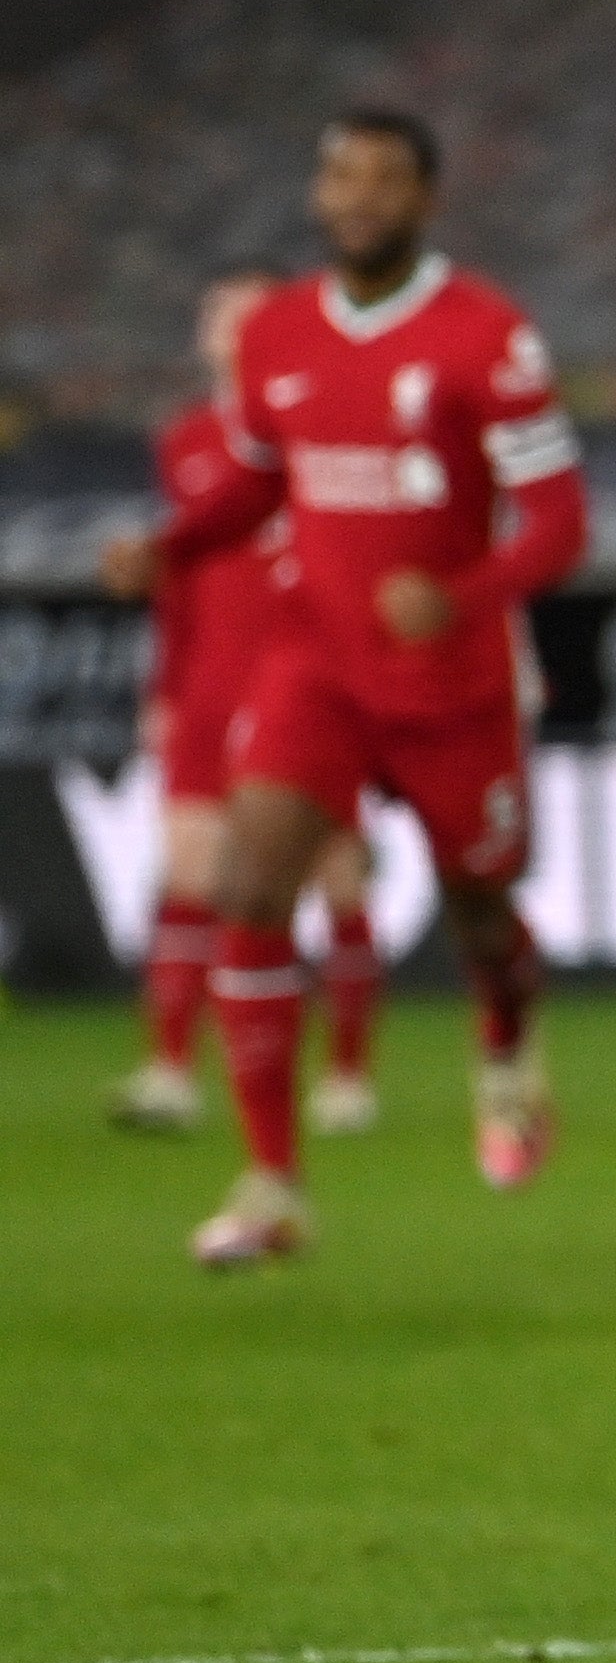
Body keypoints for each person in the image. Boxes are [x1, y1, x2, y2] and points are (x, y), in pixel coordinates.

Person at [179, 112, 588, 1267]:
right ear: (319, 194)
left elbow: (560, 523)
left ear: (425, 200)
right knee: (249, 886)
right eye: (340, 176)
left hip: (454, 679)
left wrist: (460, 593)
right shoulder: (276, 333)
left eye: (384, 179)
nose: (358, 197)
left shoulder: (487, 337)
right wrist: (171, 547)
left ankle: (507, 1047)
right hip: (318, 662)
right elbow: (257, 483)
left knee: (481, 915)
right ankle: (269, 1184)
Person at [100, 276, 382, 1139]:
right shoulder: (185, 440)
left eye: (251, 315)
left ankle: (345, 1075)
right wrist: (165, 686)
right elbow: (177, 576)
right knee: (188, 871)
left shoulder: (322, 426)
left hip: (306, 682)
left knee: (333, 873)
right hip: (211, 685)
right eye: (219, 316)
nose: (233, 330)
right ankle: (172, 1070)